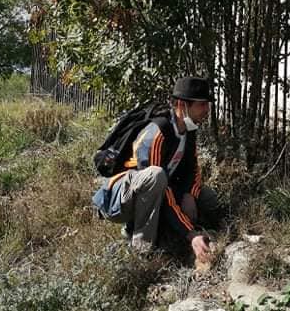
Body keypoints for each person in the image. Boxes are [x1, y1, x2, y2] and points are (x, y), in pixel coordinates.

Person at [92, 76, 221, 258]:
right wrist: (190, 233)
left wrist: (190, 194)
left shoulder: (189, 130)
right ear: (183, 105)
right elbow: (159, 184)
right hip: (120, 200)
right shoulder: (158, 133)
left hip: (155, 191)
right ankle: (140, 251)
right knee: (156, 175)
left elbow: (193, 169)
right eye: (202, 104)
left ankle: (172, 234)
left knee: (208, 197)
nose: (207, 110)